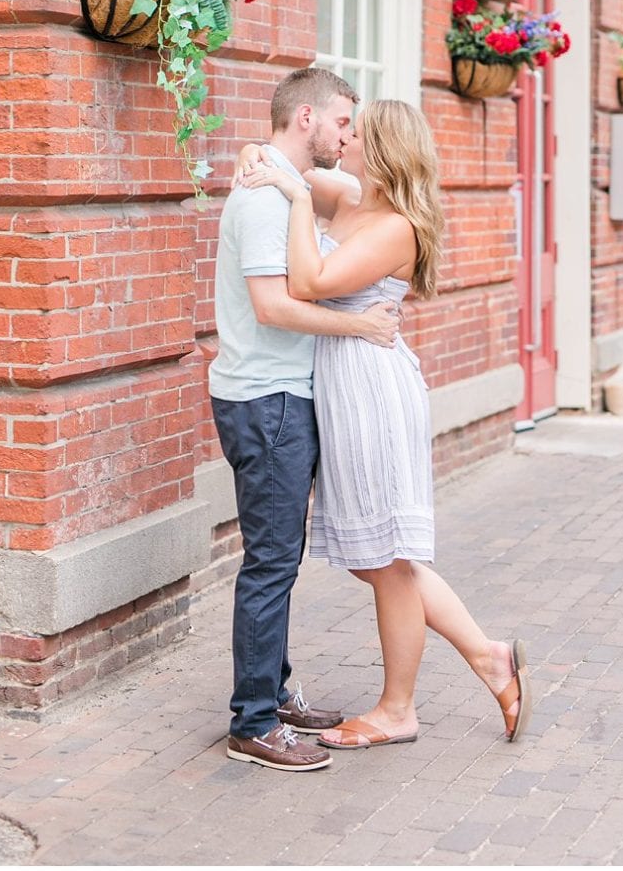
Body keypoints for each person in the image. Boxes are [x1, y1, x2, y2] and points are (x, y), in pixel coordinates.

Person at [237, 98, 531, 749]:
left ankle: (399, 708)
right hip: (344, 387)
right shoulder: (349, 194)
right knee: (380, 558)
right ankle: (488, 655)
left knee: (390, 560)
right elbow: (283, 161)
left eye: (358, 133)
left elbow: (310, 280)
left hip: (373, 391)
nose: (346, 137)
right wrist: (259, 158)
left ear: (386, 150)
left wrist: (292, 196)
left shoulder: (395, 225)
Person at [212, 67, 403, 773]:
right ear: (306, 120)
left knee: (278, 557)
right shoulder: (264, 200)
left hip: (279, 396)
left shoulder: (283, 186)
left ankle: (277, 691)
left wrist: (269, 163)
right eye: (343, 122)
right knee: (270, 562)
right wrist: (359, 330)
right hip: (267, 400)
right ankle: (253, 721)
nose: (348, 135)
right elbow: (273, 307)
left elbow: (349, 195)